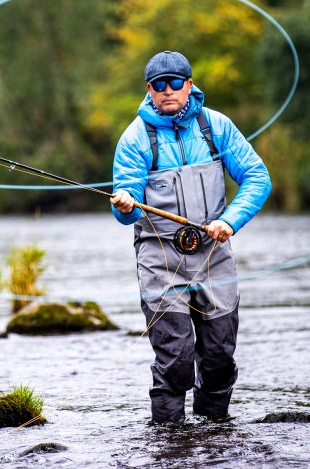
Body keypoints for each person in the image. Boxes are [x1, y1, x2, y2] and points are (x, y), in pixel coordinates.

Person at [110, 50, 271, 423]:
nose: (168, 91)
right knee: (177, 357)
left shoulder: (216, 127)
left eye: (175, 83)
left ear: (190, 85)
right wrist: (124, 204)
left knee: (218, 357)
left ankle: (214, 435)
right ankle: (169, 442)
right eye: (159, 85)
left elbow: (257, 179)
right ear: (149, 90)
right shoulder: (135, 139)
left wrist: (230, 221)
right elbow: (127, 214)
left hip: (215, 252)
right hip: (160, 258)